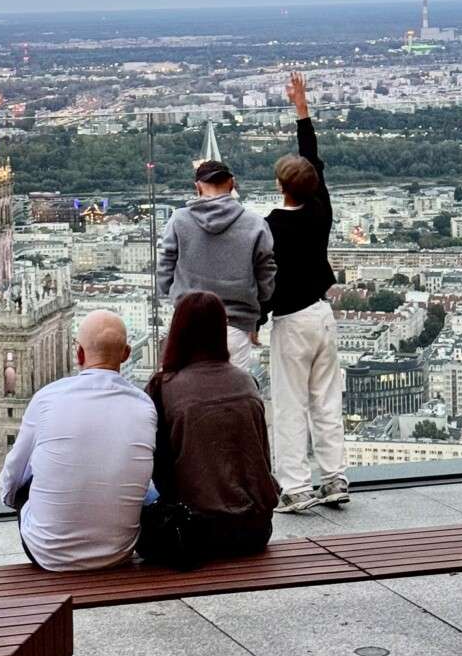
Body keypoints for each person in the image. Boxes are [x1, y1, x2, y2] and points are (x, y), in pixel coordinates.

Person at [0, 310, 156, 571]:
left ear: (79, 354)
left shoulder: (48, 398)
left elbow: (11, 481)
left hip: (47, 553)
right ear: (127, 355)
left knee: (28, 477)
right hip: (119, 552)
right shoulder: (144, 405)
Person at [259, 72, 348, 513]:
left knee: (290, 405)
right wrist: (303, 111)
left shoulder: (269, 227)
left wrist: (256, 321)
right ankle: (334, 478)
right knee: (326, 400)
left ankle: (295, 486)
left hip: (291, 322)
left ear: (281, 186)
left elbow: (263, 285)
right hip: (322, 314)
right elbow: (313, 159)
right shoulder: (321, 209)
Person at [139, 291, 277, 565]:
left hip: (192, 531)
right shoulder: (247, 382)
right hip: (255, 530)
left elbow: (157, 468)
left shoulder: (163, 388)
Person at [157, 157, 276, 371]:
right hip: (235, 323)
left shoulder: (179, 220)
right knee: (232, 394)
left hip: (189, 321)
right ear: (232, 184)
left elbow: (165, 266)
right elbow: (266, 273)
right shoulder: (255, 223)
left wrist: (174, 295)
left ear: (197, 187)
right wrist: (257, 304)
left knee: (190, 391)